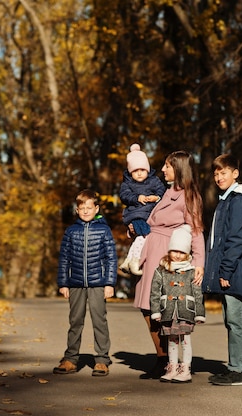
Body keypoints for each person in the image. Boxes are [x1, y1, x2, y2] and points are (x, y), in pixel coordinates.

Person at [133, 150, 205, 378]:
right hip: (151, 249)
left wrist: (199, 262)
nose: (162, 169)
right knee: (148, 307)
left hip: (166, 254)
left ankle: (166, 360)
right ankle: (163, 358)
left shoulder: (188, 195)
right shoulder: (167, 192)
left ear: (179, 168)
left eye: (167, 166)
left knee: (158, 306)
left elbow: (195, 230)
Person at [202, 153, 242, 386]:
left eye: (223, 172)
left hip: (234, 271)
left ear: (235, 173)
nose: (218, 177)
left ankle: (239, 370)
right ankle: (234, 366)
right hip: (230, 270)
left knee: (236, 320)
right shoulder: (227, 199)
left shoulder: (238, 200)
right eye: (215, 173)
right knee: (230, 319)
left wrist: (225, 271)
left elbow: (236, 239)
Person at [53, 189, 118, 377]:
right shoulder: (71, 231)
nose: (86, 211)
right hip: (75, 283)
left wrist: (109, 283)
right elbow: (64, 258)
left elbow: (111, 258)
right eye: (82, 208)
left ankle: (102, 360)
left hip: (98, 283)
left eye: (90, 208)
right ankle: (71, 358)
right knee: (75, 321)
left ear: (96, 208)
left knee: (99, 320)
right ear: (77, 210)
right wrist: (63, 283)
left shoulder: (104, 230)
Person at [150, 224, 205, 383]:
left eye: (182, 252)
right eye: (175, 251)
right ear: (169, 250)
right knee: (171, 340)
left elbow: (197, 293)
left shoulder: (191, 270)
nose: (178, 255)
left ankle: (186, 368)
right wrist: (156, 311)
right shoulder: (161, 270)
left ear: (187, 253)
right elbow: (155, 292)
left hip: (185, 311)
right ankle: (172, 367)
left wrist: (199, 313)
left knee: (185, 340)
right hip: (168, 310)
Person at [119, 143, 166, 276]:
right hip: (135, 214)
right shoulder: (127, 183)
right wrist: (136, 198)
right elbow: (124, 195)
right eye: (135, 171)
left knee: (141, 237)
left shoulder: (154, 180)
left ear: (148, 170)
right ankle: (135, 260)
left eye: (142, 170)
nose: (139, 174)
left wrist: (156, 198)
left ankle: (129, 258)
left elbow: (162, 191)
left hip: (149, 214)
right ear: (130, 172)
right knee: (144, 234)